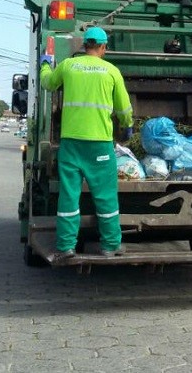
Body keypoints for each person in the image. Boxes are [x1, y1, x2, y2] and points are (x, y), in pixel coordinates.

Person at [39, 26, 134, 261]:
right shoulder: (111, 71)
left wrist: (44, 64)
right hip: (99, 144)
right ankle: (110, 245)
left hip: (71, 143)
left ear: (84, 45)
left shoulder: (69, 66)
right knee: (105, 196)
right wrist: (127, 124)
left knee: (69, 196)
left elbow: (48, 84)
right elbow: (123, 108)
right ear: (103, 47)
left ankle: (65, 247)